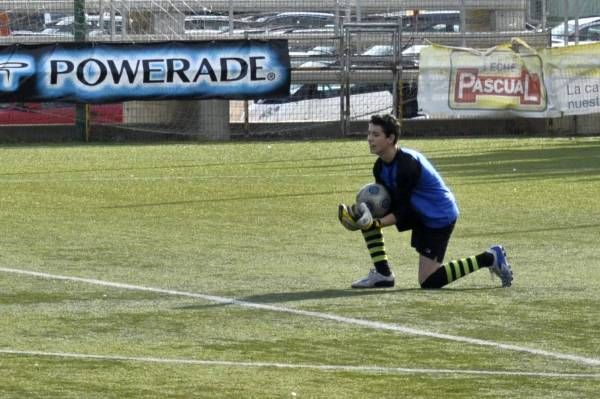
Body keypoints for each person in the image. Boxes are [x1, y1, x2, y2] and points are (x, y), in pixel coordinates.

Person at [338, 114, 513, 289]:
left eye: (375, 135)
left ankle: (489, 257)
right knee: (367, 219)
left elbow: (403, 210)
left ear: (390, 138)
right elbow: (387, 204)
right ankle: (383, 275)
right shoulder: (379, 167)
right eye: (369, 134)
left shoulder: (407, 164)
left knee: (429, 281)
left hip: (439, 216)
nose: (369, 139)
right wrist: (359, 215)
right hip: (418, 212)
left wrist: (375, 223)